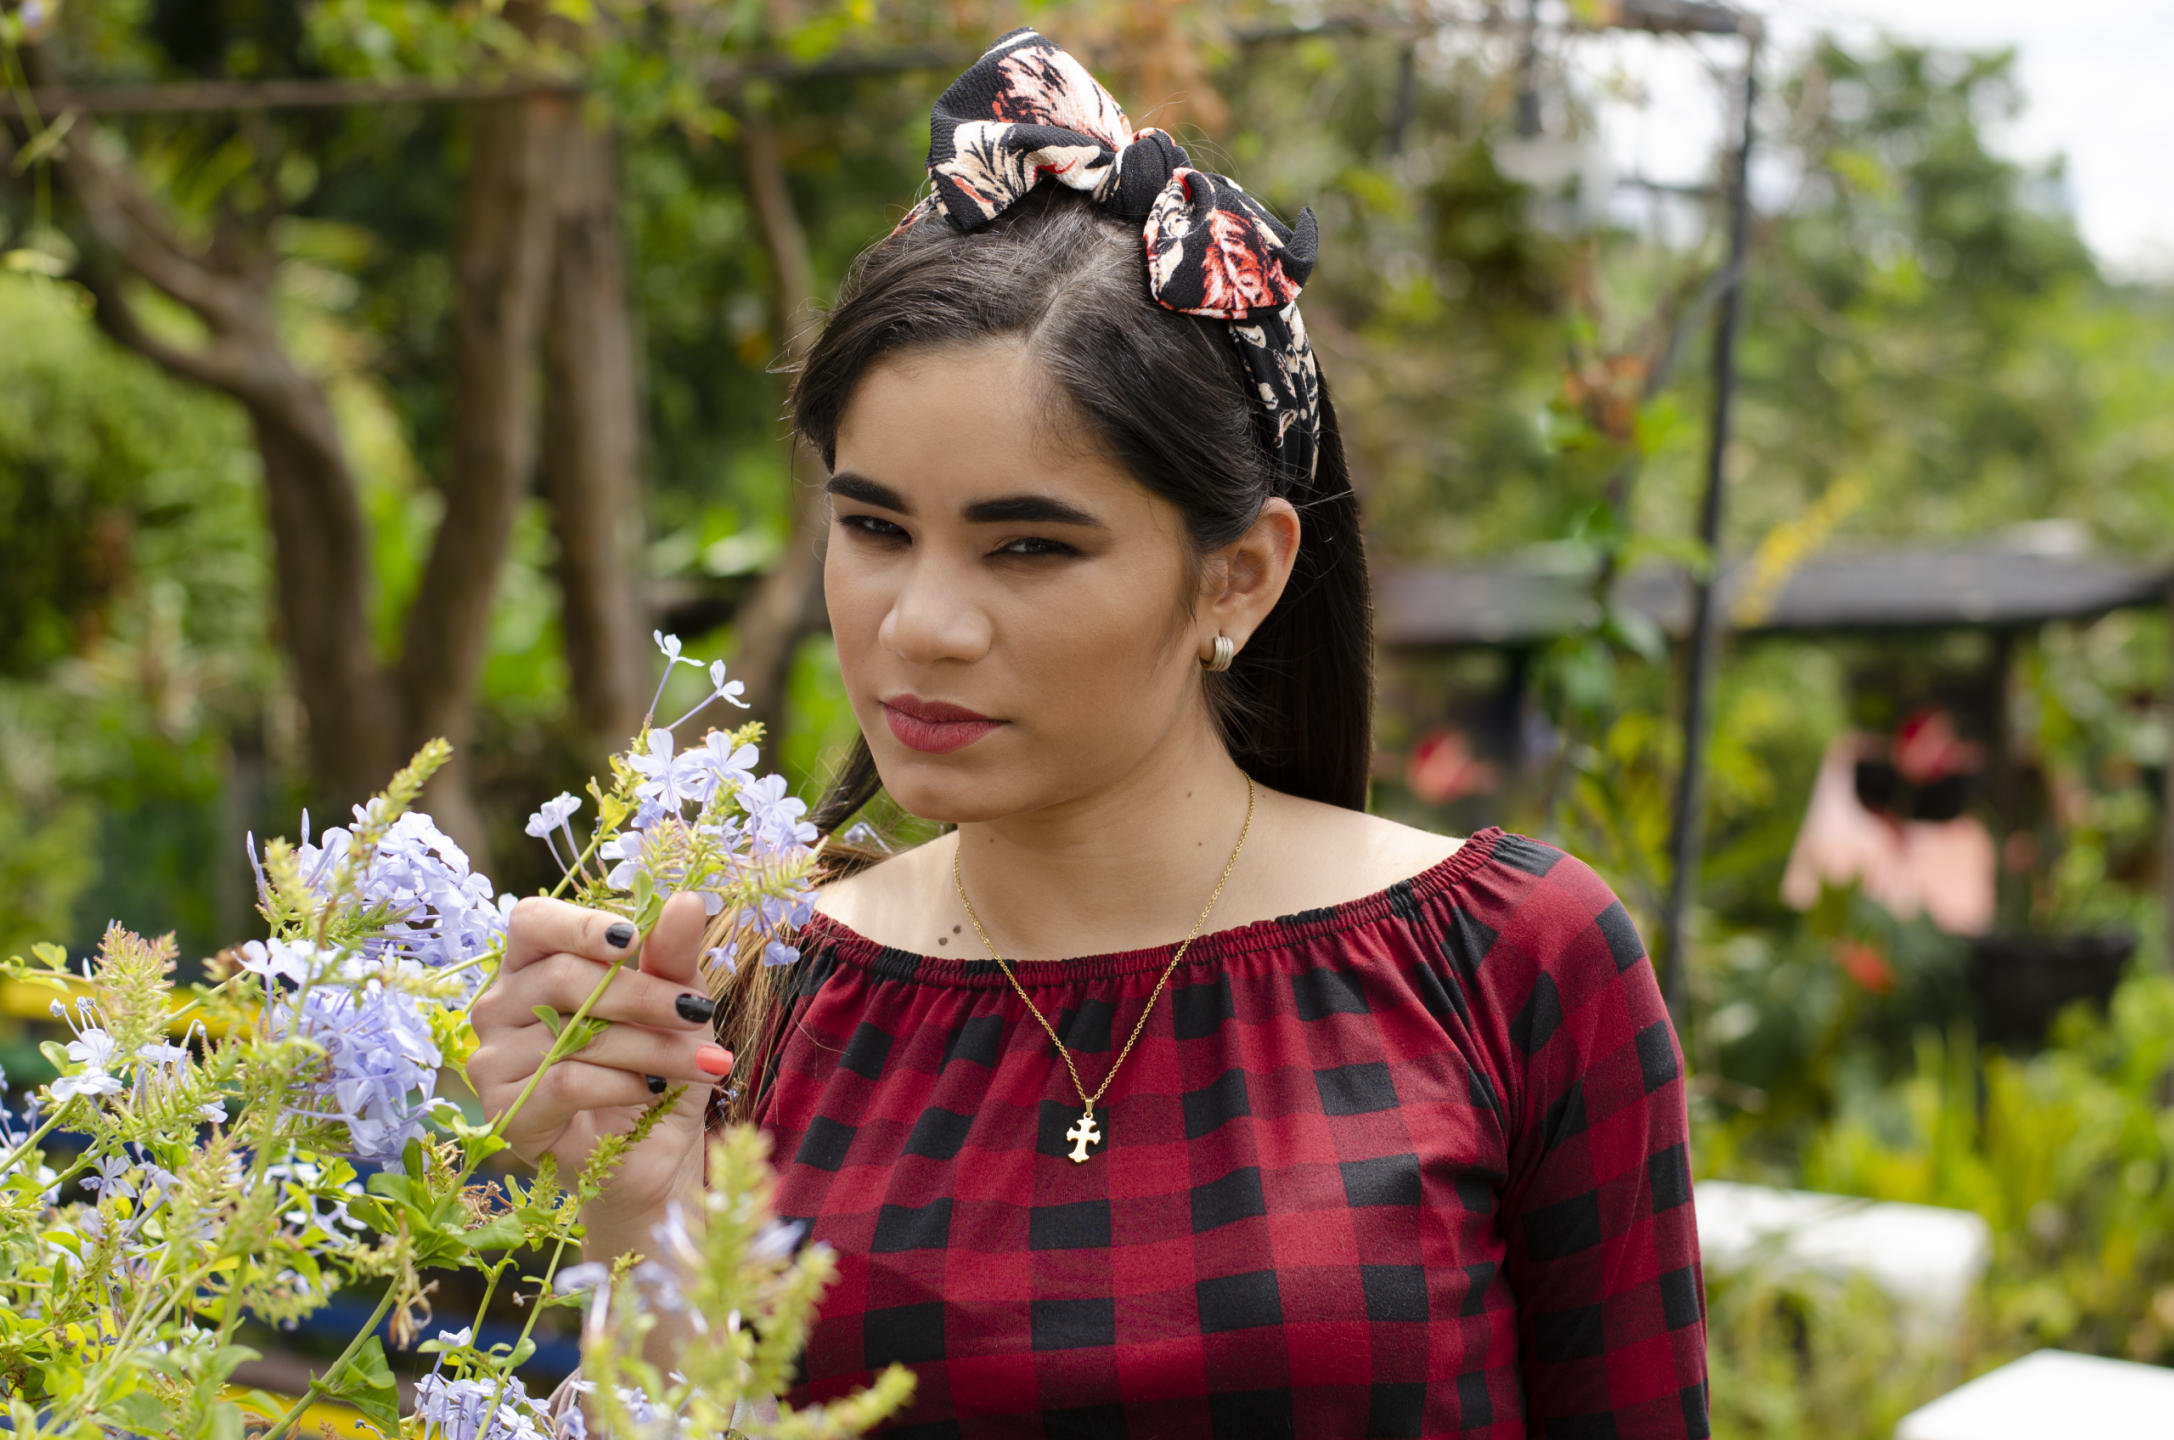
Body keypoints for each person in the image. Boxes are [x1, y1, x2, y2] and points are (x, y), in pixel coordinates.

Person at [470, 29, 1706, 1437]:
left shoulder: (1501, 962)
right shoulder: (753, 999)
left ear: (1238, 575)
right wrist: (636, 1227)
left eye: (1029, 548)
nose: (922, 624)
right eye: (874, 528)